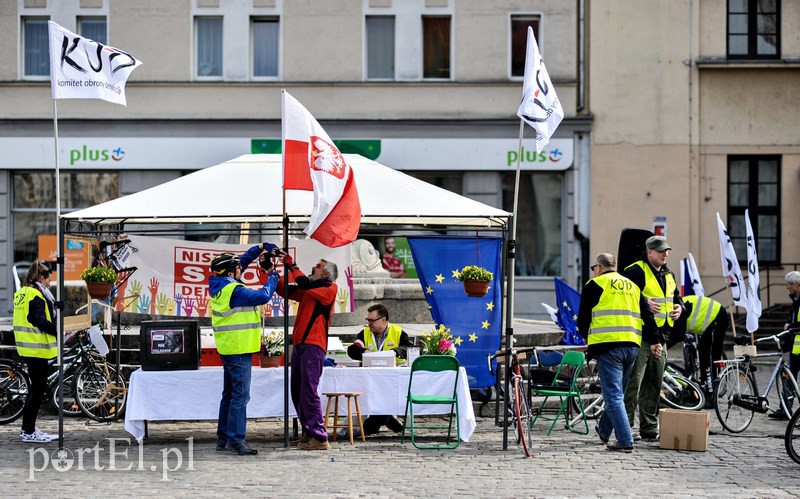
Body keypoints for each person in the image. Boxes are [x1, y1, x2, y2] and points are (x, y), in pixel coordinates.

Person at [209, 242, 280, 456]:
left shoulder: (221, 284)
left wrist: (259, 247)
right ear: (231, 271)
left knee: (229, 394)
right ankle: (237, 440)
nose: (242, 268)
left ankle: (223, 438)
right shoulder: (235, 290)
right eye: (238, 267)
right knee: (240, 396)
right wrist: (273, 277)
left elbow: (243, 261)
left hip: (229, 347)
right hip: (239, 348)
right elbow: (264, 296)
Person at [578, 253, 643, 452]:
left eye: (593, 268)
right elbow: (644, 313)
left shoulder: (595, 284)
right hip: (632, 344)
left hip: (608, 346)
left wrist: (586, 338)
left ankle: (625, 440)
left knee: (613, 396)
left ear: (599, 267)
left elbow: (583, 318)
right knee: (618, 394)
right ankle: (605, 431)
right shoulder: (632, 286)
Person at [622, 235, 683, 442]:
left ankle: (649, 428)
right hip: (640, 338)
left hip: (661, 338)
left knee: (654, 385)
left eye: (667, 251)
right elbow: (625, 298)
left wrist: (680, 308)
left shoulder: (669, 274)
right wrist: (642, 300)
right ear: (649, 252)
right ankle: (626, 427)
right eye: (660, 251)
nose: (665, 254)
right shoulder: (635, 271)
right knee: (633, 385)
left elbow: (677, 299)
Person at [276, 254, 339, 450]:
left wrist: (292, 265)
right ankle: (309, 432)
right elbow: (285, 290)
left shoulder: (329, 288)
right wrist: (271, 271)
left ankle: (320, 437)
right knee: (298, 390)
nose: (313, 267)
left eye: (318, 266)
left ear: (326, 273)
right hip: (302, 345)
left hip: (313, 345)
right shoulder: (310, 290)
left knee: (308, 392)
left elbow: (302, 283)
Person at [347, 303, 415, 435]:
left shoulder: (398, 332)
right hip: (369, 379)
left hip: (393, 378)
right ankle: (388, 419)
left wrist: (395, 352)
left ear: (383, 319)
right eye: (368, 320)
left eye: (372, 320)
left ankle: (375, 423)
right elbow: (352, 349)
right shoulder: (365, 333)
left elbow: (409, 349)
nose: (369, 324)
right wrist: (363, 351)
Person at [13, 260, 57, 443]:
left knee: (36, 390)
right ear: (40, 278)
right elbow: (39, 321)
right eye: (48, 280)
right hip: (36, 349)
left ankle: (28, 429)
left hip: (26, 347)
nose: (50, 284)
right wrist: (59, 331)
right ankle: (28, 432)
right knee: (37, 391)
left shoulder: (21, 293)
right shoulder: (36, 295)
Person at [668, 294, 728, 405]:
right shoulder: (671, 308)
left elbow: (677, 335)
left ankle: (710, 397)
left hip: (718, 316)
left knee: (710, 358)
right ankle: (701, 388)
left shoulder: (675, 311)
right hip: (703, 323)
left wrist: (664, 347)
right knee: (702, 353)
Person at [771, 271, 800, 420]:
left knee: (789, 377)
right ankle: (785, 409)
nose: (786, 287)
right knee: (788, 377)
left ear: (795, 285)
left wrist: (790, 326)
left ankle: (786, 409)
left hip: (798, 348)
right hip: (796, 349)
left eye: (788, 285)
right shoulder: (796, 299)